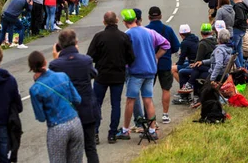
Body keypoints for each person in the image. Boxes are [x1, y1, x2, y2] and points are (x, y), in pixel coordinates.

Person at [116, 9, 170, 141]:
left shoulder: (127, 35)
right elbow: (166, 44)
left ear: (124, 21)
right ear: (136, 19)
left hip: (136, 71)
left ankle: (125, 130)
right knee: (148, 100)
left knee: (130, 100)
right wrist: (156, 57)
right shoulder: (149, 32)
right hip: (150, 70)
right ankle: (152, 130)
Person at [49, 30, 100, 163]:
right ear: (76, 42)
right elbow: (94, 74)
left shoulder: (56, 65)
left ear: (59, 45)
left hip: (66, 114)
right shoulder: (86, 60)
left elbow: (52, 82)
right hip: (87, 109)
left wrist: (57, 59)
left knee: (69, 151)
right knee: (90, 148)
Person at [87, 12, 136, 144]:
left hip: (101, 74)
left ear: (104, 22)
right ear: (117, 20)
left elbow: (90, 56)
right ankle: (112, 134)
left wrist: (100, 59)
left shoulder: (99, 37)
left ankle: (95, 133)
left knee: (96, 103)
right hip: (118, 75)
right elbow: (131, 57)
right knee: (116, 104)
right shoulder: (124, 37)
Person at [29, 50, 85, 163]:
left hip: (56, 127)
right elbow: (77, 99)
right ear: (45, 61)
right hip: (74, 122)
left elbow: (41, 117)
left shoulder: (36, 89)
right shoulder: (62, 76)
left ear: (32, 68)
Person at [145, 6, 180, 124]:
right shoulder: (168, 30)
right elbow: (175, 46)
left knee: (148, 90)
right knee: (166, 89)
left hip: (149, 64)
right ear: (160, 16)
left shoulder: (145, 30)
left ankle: (149, 116)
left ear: (149, 17)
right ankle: (165, 115)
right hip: (165, 63)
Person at [231, 0, 248, 68]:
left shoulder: (237, 6)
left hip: (237, 29)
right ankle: (241, 65)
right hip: (243, 29)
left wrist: (233, 23)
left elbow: (240, 17)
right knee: (239, 49)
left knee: (233, 49)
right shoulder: (243, 5)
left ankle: (239, 67)